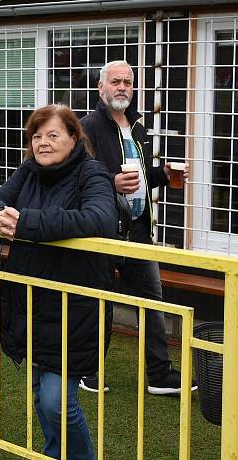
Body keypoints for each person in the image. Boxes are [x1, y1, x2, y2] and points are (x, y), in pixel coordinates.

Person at [0, 104, 117, 460]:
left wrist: (25, 224)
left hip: (73, 305)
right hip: (30, 302)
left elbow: (98, 217)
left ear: (73, 137)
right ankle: (56, 453)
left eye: (53, 135)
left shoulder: (92, 173)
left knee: (56, 401)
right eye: (36, 136)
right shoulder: (29, 172)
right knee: (41, 392)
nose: (43, 143)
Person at [79, 60, 196, 396]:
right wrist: (109, 182)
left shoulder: (137, 126)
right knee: (100, 301)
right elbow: (79, 177)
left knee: (152, 301)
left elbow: (138, 175)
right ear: (101, 87)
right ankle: (89, 371)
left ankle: (159, 375)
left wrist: (162, 175)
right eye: (115, 81)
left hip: (138, 229)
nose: (123, 88)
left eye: (128, 82)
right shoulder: (88, 127)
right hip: (103, 230)